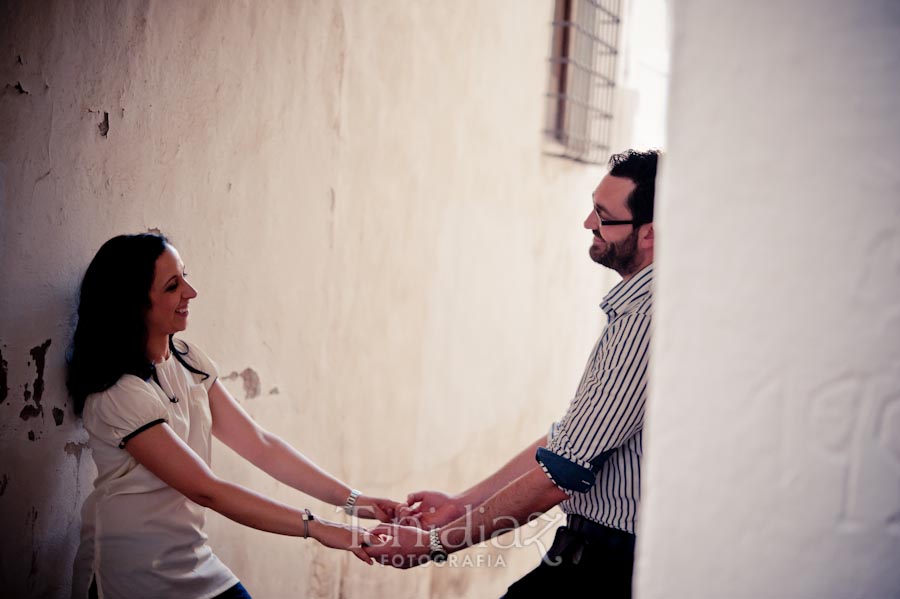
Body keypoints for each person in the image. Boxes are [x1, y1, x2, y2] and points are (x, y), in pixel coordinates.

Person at [368, 149, 660, 598]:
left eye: (604, 215)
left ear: (649, 235)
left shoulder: (647, 318)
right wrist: (461, 505)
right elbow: (567, 442)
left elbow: (561, 472)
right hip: (591, 553)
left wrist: (431, 545)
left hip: (610, 566)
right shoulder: (636, 310)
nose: (587, 223)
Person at [67, 233, 399, 599]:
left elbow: (260, 445)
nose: (190, 293)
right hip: (133, 577)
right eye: (173, 286)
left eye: (185, 277)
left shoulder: (188, 360)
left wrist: (357, 502)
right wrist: (317, 527)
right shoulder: (119, 394)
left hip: (193, 561)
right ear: (135, 304)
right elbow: (206, 490)